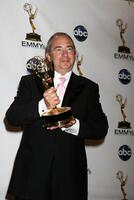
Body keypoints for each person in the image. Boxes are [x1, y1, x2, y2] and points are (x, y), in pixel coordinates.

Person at [5, 32, 108, 200]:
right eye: (58, 49)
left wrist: (72, 124)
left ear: (75, 54)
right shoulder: (30, 82)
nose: (65, 54)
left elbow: (101, 128)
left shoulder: (89, 88)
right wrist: (42, 105)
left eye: (70, 49)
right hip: (32, 175)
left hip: (70, 178)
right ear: (48, 56)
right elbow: (13, 117)